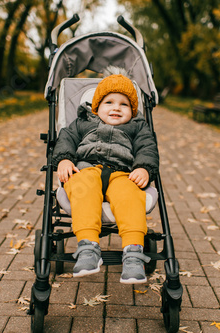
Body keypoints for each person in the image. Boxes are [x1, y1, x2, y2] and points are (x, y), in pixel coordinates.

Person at [52, 72, 159, 284]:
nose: (116, 108)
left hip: (122, 173)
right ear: (96, 107)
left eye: (124, 104)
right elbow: (66, 139)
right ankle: (88, 248)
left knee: (130, 195)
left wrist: (144, 168)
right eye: (109, 102)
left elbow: (148, 149)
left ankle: (134, 253)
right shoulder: (82, 122)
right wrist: (64, 160)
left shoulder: (138, 127)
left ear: (133, 110)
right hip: (86, 169)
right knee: (81, 186)